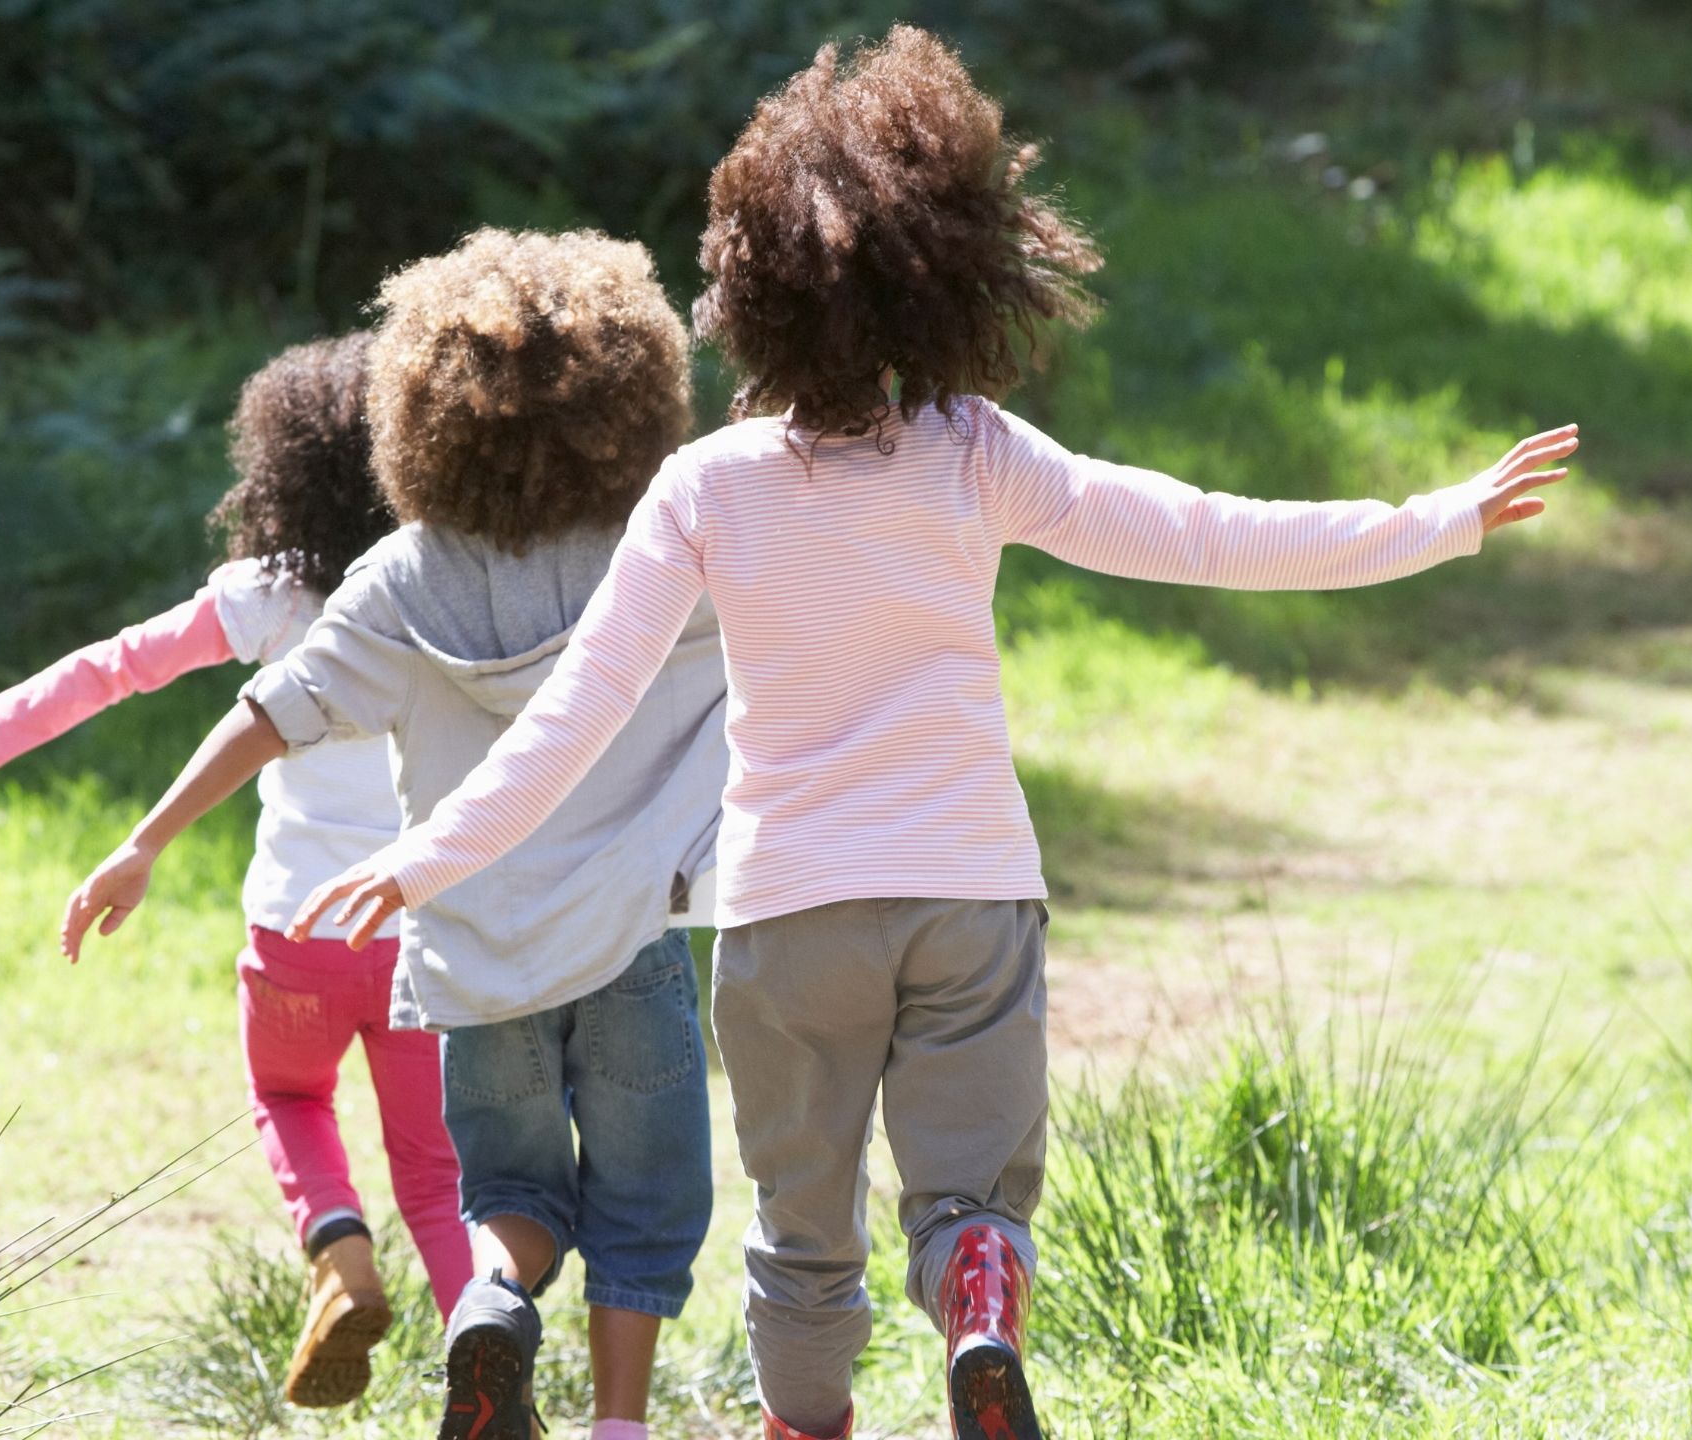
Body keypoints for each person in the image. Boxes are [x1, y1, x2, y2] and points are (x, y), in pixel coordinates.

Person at [294, 28, 1579, 1440]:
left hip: (790, 919)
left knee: (801, 1239)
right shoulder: (978, 454)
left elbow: (570, 717)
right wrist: (1435, 521)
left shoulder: (704, 490)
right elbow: (1210, 533)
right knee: (968, 1193)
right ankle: (975, 1290)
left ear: (747, 289)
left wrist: (427, 856)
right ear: (957, 274)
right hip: (969, 895)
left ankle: (811, 1424)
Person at [59, 229, 725, 1440]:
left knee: (513, 1192)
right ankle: (619, 1424)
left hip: (472, 957)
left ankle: (489, 1302)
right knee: (645, 1203)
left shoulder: (399, 581)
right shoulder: (664, 551)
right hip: (630, 940)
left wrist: (144, 840)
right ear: (630, 399)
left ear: (422, 411)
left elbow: (268, 712)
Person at [0, 334, 472, 1409]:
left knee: (287, 1091)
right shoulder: (453, 585)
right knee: (435, 1173)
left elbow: (111, 669)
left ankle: (337, 1254)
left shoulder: (273, 595)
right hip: (424, 932)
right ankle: (486, 1371)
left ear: (286, 468)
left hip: (297, 933)